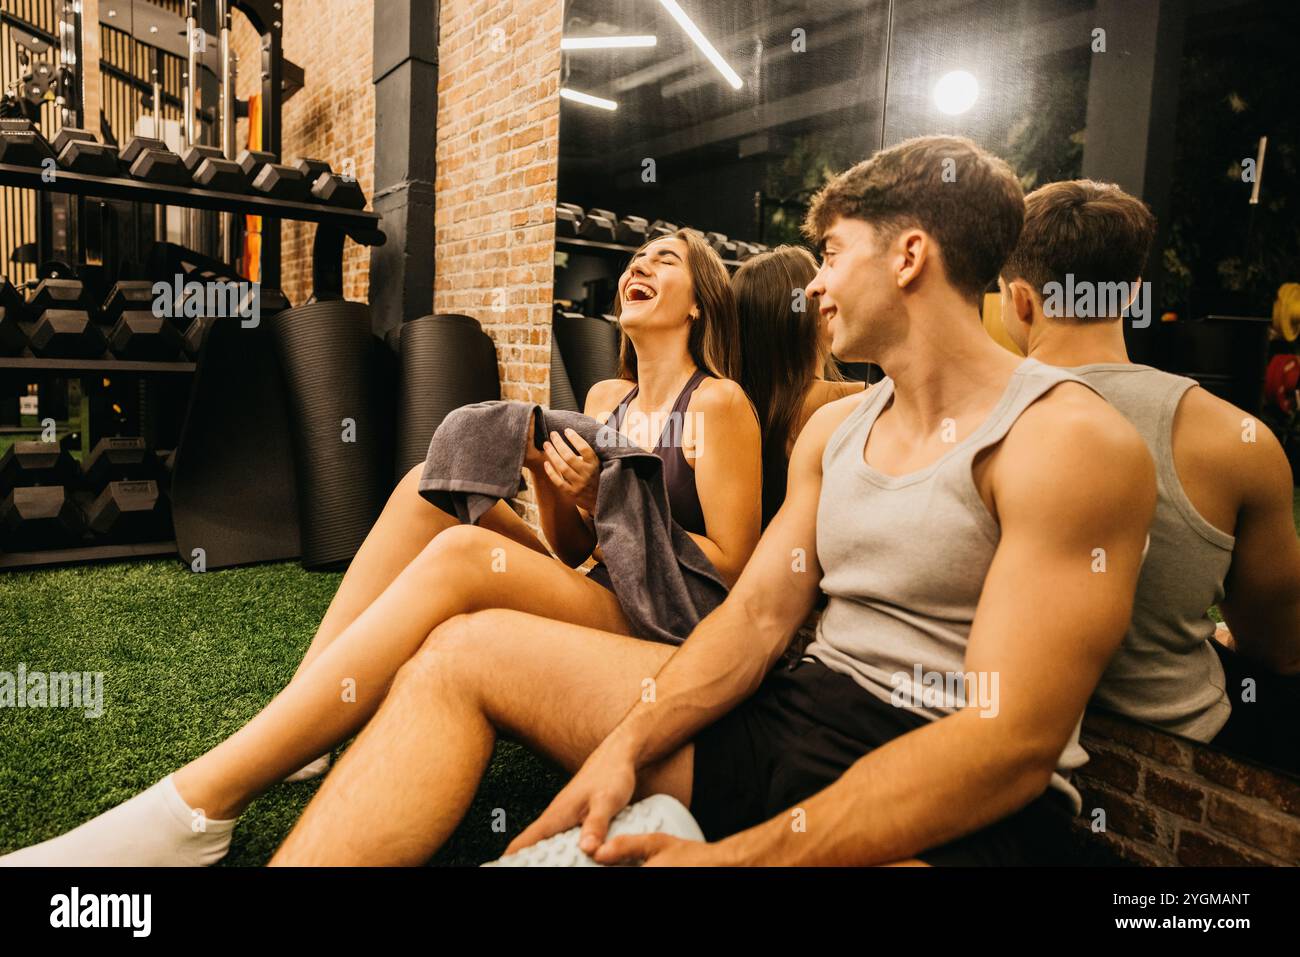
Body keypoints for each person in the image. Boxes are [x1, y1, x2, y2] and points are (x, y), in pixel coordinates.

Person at [266, 135, 1156, 867]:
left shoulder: (1068, 440)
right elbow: (757, 619)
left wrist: (744, 858)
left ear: (911, 255)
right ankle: (220, 795)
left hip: (955, 798)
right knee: (460, 652)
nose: (813, 284)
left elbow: (1005, 744)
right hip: (794, 715)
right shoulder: (834, 430)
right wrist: (627, 741)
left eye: (835, 254)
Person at [0, 230, 763, 867]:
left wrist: (614, 501)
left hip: (659, 628)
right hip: (602, 586)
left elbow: (732, 569)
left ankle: (207, 805)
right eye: (637, 258)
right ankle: (305, 718)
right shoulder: (606, 399)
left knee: (465, 558)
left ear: (699, 301)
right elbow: (572, 549)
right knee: (422, 488)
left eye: (665, 260)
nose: (640, 265)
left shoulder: (720, 405)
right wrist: (563, 487)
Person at [996, 179, 1300, 758]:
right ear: (1132, 294)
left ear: (1019, 299)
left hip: (1006, 733)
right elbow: (1282, 650)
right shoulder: (1240, 441)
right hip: (1179, 739)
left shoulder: (959, 416)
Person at [733, 245, 864, 527]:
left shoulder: (739, 402)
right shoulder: (847, 401)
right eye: (818, 284)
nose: (828, 289)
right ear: (804, 314)